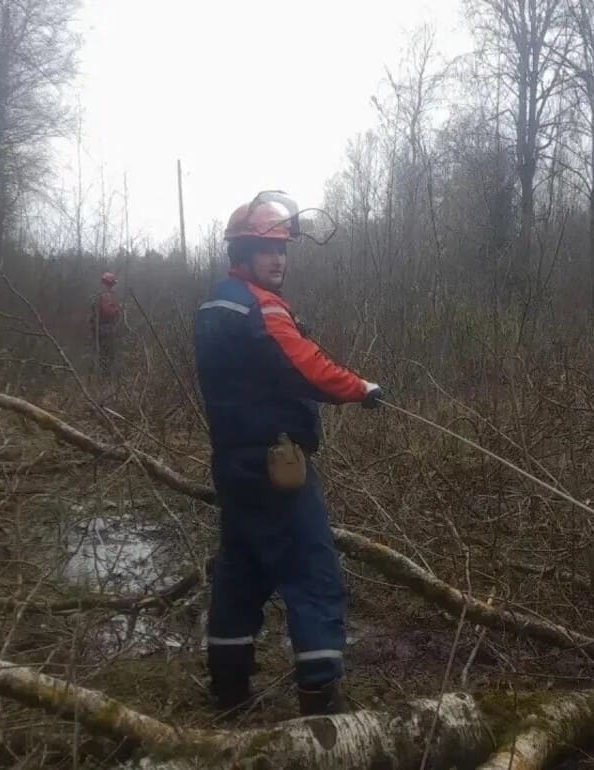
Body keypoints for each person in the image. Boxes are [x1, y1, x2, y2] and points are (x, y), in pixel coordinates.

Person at [193, 191, 383, 716]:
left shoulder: (214, 304)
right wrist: (361, 388)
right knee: (312, 572)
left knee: (242, 570)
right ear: (243, 253)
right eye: (266, 249)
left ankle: (228, 690)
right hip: (278, 468)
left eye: (282, 250)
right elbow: (307, 366)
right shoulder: (261, 307)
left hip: (232, 465)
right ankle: (321, 698)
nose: (278, 259)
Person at [90, 272, 122, 375]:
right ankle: (104, 377)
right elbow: (107, 311)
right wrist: (117, 310)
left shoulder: (102, 295)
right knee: (106, 355)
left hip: (103, 329)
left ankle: (104, 376)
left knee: (105, 355)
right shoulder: (105, 296)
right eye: (111, 284)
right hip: (105, 329)